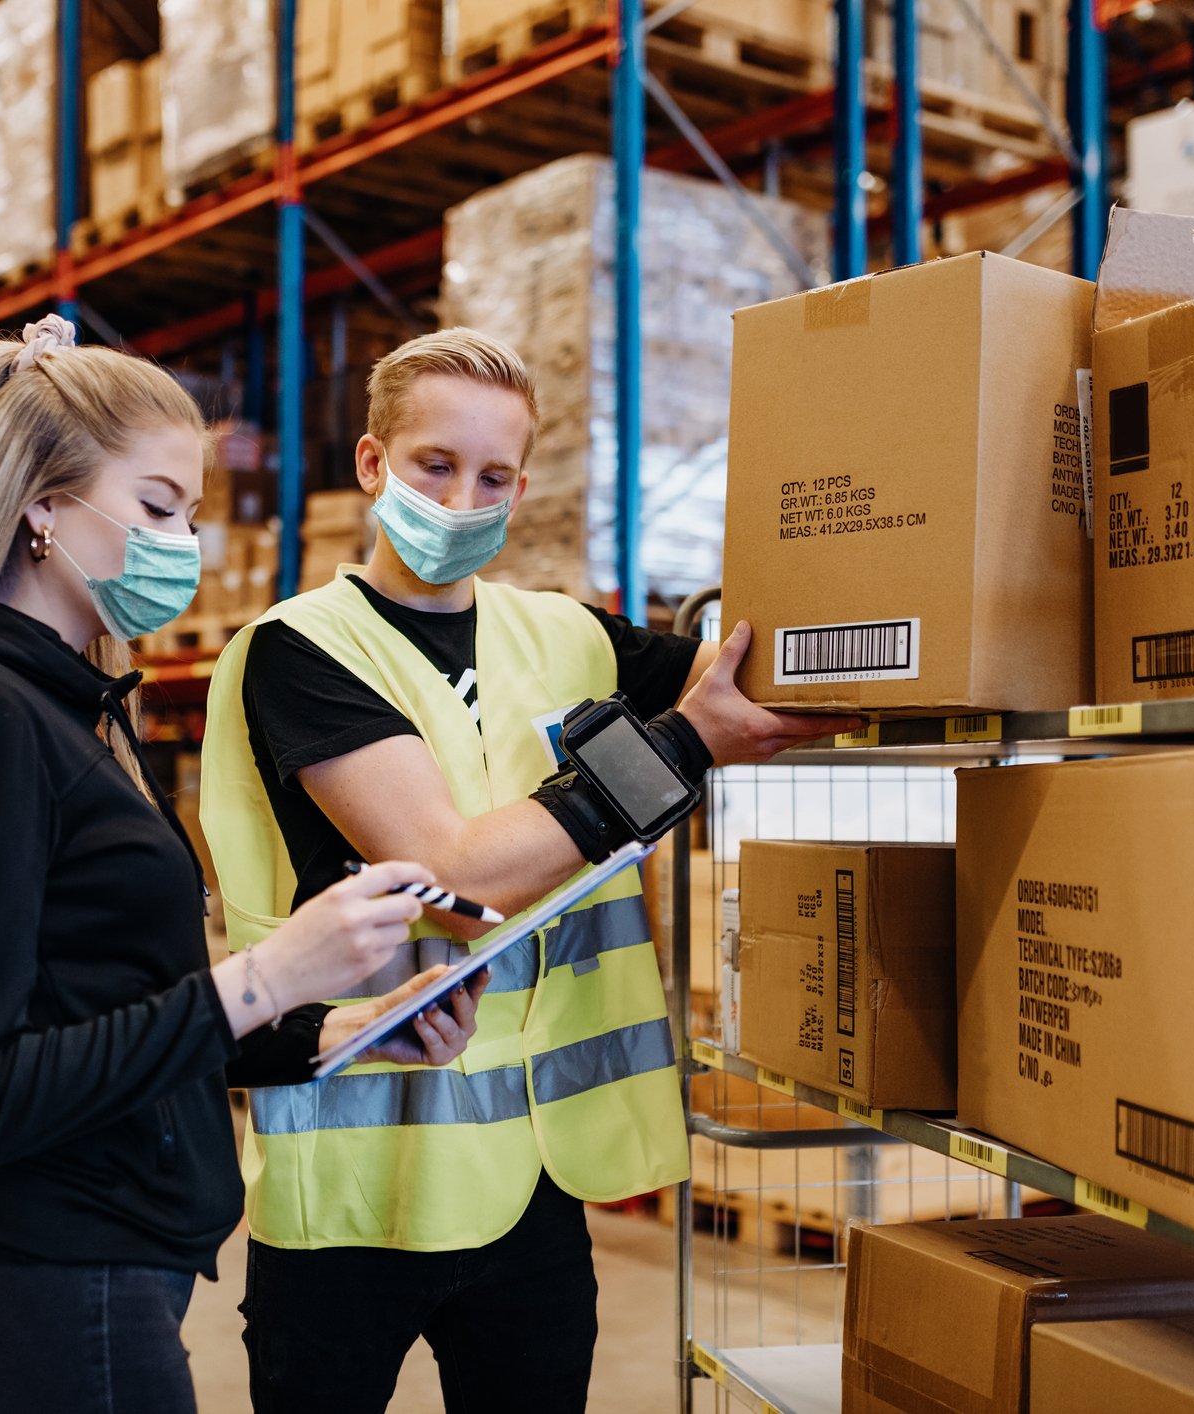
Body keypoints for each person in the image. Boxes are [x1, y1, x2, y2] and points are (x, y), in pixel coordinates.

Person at [0, 315, 486, 1414]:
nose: (185, 543)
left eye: (193, 514)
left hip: (101, 1283)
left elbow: (113, 1012)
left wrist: (336, 1026)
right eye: (158, 507)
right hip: (38, 1299)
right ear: (41, 506)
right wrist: (272, 971)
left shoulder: (73, 707)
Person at [198, 327, 862, 1412]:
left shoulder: (567, 640)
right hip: (358, 1196)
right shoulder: (300, 651)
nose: (465, 499)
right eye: (435, 466)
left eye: (495, 476)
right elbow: (453, 874)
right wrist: (681, 745)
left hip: (537, 1190)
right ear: (372, 465)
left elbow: (762, 679)